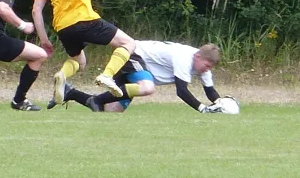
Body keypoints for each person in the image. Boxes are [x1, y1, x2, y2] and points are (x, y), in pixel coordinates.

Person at [48, 41, 223, 113]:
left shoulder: (203, 66)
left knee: (111, 111)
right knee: (147, 88)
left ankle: (70, 92)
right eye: (206, 66)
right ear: (198, 57)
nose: (206, 70)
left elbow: (210, 90)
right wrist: (203, 109)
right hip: (134, 56)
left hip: (139, 69)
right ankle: (97, 100)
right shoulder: (184, 57)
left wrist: (220, 104)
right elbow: (182, 91)